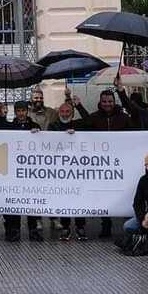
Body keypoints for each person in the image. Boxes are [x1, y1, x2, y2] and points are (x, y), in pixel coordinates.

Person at [82, 89, 133, 239]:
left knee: (124, 192)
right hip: (102, 164)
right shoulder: (94, 118)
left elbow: (135, 134)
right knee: (103, 194)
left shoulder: (124, 118)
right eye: (104, 101)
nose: (107, 104)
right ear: (100, 102)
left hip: (120, 163)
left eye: (110, 101)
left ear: (114, 101)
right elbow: (82, 127)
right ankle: (106, 224)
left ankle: (129, 222)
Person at [49, 102, 90, 240]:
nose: (65, 114)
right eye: (63, 111)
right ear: (58, 112)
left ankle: (80, 227)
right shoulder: (52, 126)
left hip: (77, 170)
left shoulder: (78, 125)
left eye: (68, 112)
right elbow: (48, 142)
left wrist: (79, 105)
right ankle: (65, 227)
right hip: (60, 171)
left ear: (72, 113)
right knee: (64, 199)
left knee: (79, 198)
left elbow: (89, 120)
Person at [3, 101, 43, 242]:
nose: (21, 113)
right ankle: (14, 230)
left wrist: (38, 134)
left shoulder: (35, 126)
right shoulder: (9, 127)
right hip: (14, 170)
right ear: (15, 112)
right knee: (15, 201)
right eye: (18, 110)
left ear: (27, 111)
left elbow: (42, 144)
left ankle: (33, 230)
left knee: (31, 201)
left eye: (23, 110)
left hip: (30, 170)